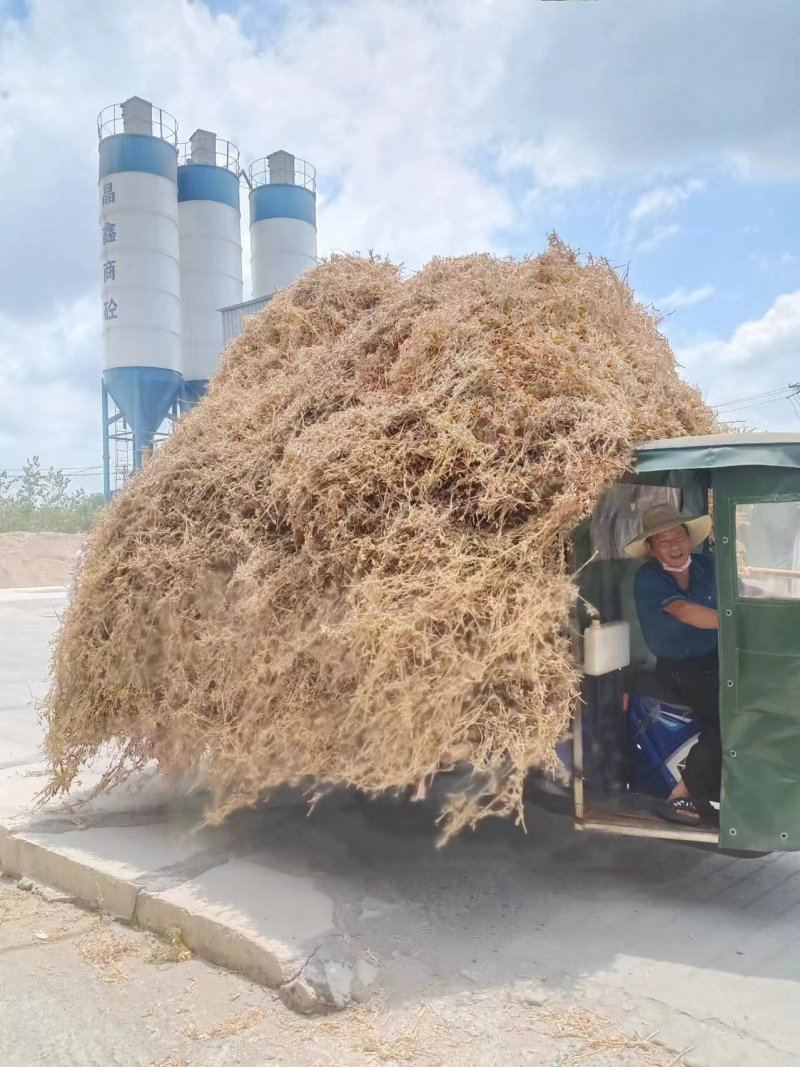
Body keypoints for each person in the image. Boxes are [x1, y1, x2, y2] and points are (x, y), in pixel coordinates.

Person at [626, 503, 720, 825]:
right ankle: (683, 794)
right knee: (733, 715)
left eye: (678, 536)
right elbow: (685, 612)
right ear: (651, 550)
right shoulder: (649, 578)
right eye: (662, 541)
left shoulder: (709, 566)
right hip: (680, 669)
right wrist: (736, 622)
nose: (673, 545)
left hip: (718, 660)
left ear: (689, 540)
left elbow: (741, 595)